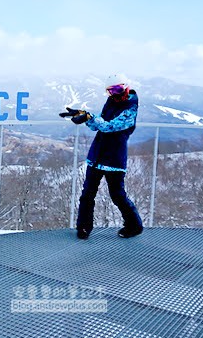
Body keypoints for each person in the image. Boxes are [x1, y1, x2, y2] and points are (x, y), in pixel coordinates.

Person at [60, 73, 144, 239]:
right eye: (110, 91)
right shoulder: (111, 102)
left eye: (118, 89)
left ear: (126, 87)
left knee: (117, 194)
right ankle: (83, 228)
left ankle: (134, 225)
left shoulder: (130, 109)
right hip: (97, 155)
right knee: (87, 194)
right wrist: (86, 117)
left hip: (114, 158)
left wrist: (90, 116)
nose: (115, 93)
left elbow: (110, 127)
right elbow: (98, 126)